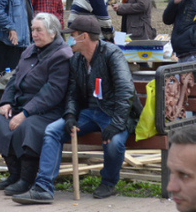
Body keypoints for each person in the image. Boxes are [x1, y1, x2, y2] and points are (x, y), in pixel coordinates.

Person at [12, 16, 142, 204]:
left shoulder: (112, 54)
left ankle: (109, 182)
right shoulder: (76, 60)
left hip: (114, 113)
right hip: (89, 112)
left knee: (113, 143)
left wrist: (117, 123)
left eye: (72, 36)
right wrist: (70, 115)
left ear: (84, 37)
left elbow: (126, 90)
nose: (68, 41)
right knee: (52, 131)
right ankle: (43, 188)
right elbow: (72, 93)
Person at [0, 13, 73, 196]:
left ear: (53, 33)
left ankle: (27, 179)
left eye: (39, 30)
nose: (34, 34)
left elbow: (52, 92)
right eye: (33, 30)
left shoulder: (61, 55)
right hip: (21, 106)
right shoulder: (30, 50)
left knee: (27, 127)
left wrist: (26, 113)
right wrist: (6, 102)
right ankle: (14, 174)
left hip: (48, 111)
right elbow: (14, 78)